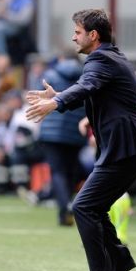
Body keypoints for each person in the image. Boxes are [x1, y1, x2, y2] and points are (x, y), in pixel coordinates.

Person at [26, 9, 136, 271]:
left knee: (83, 207)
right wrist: (58, 96)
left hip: (127, 148)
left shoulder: (101, 60)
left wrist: (56, 102)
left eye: (77, 31)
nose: (73, 36)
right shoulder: (111, 57)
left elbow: (86, 87)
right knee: (93, 208)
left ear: (93, 35)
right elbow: (93, 92)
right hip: (130, 146)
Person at [37, 50, 88, 226]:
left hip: (52, 133)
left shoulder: (50, 74)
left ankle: (64, 206)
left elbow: (38, 97)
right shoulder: (84, 75)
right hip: (76, 131)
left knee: (57, 171)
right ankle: (68, 206)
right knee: (71, 171)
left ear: (61, 58)